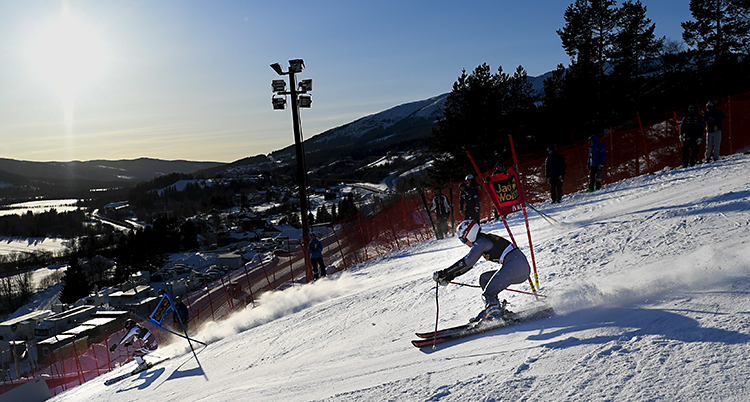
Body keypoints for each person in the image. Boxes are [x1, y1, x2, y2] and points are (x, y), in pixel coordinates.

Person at [432, 220, 531, 323]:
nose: (465, 243)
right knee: (484, 279)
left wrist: (444, 273)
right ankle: (494, 308)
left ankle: (494, 315)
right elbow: (467, 265)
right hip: (516, 266)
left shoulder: (482, 242)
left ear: (469, 235)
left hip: (517, 266)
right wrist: (449, 276)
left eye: (463, 239)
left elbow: (467, 262)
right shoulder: (482, 240)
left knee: (488, 293)